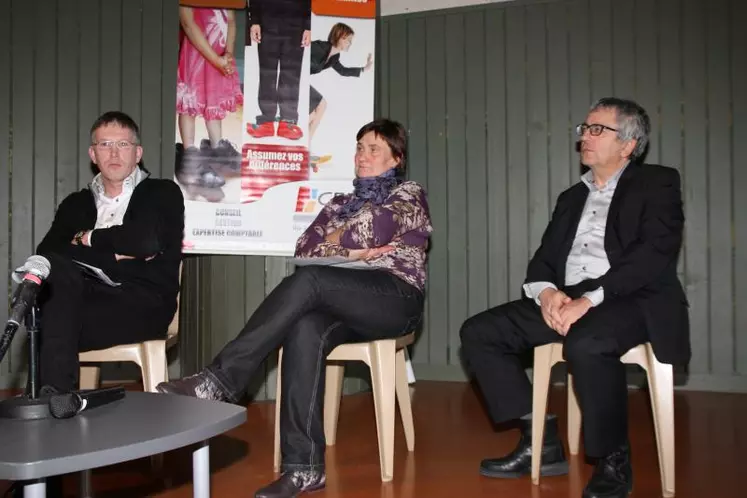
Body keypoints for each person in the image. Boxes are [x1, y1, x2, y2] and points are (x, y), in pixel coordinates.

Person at [157, 119, 432, 498]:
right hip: (346, 301)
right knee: (305, 330)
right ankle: (303, 469)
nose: (362, 156)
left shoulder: (408, 193)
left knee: (311, 281)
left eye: (374, 149)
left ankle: (220, 381)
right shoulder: (339, 204)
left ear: (396, 159)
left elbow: (374, 230)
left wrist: (338, 240)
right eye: (359, 147)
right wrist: (353, 249)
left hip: (396, 296)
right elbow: (304, 249)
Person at [459, 98, 689, 498]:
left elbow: (653, 253)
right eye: (584, 128)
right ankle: (541, 439)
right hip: (572, 297)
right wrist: (547, 293)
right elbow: (545, 259)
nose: (585, 135)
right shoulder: (571, 197)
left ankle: (613, 459)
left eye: (598, 129)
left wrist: (592, 299)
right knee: (480, 332)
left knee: (588, 341)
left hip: (632, 296)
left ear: (628, 144)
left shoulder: (658, 181)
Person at [34, 111, 184, 394]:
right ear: (93, 154)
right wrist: (113, 255)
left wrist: (86, 238)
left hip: (142, 305)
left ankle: (51, 397)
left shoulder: (162, 193)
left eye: (123, 145)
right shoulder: (75, 204)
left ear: (137, 153)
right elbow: (49, 252)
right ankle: (56, 400)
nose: (114, 153)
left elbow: (144, 243)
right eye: (105, 145)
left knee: (55, 317)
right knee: (51, 287)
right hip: (83, 304)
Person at [175, 6, 243, 190]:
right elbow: (188, 24)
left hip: (219, 56)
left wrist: (227, 54)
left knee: (214, 101)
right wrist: (216, 59)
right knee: (189, 103)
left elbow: (231, 21)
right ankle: (190, 158)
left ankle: (217, 147)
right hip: (196, 53)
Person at [246, 0, 311, 141]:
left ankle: (287, 121)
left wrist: (308, 25)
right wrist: (255, 20)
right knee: (267, 73)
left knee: (291, 74)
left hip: (296, 22)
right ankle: (266, 121)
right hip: (267, 21)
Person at [308, 22, 373, 141]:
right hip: (294, 78)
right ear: (339, 37)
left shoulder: (334, 57)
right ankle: (305, 140)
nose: (350, 43)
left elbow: (343, 71)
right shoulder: (318, 47)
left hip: (301, 81)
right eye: (348, 39)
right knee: (319, 107)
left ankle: (306, 142)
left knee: (317, 111)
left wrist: (365, 68)